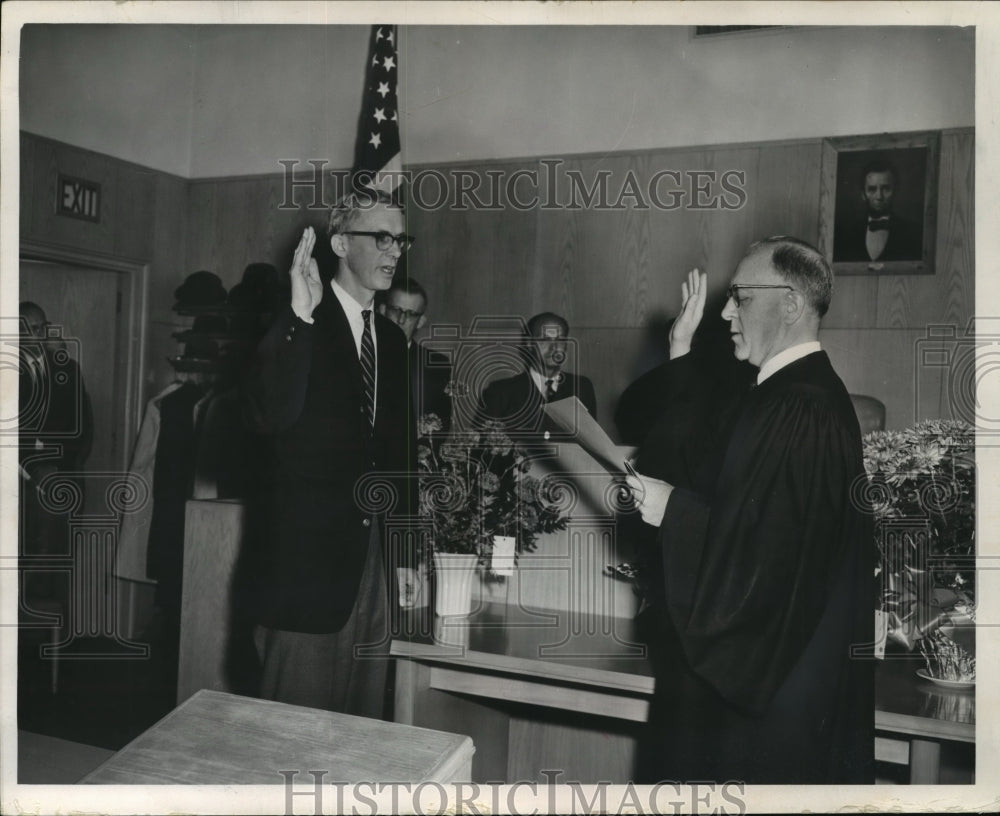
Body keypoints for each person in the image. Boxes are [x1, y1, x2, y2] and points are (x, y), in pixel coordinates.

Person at [626, 238, 874, 784]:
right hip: (782, 684)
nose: (724, 311)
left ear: (788, 303)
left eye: (739, 296)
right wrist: (681, 348)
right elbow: (699, 454)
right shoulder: (785, 395)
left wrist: (673, 511)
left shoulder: (799, 407)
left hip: (775, 696)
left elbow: (764, 564)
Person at [243, 189, 418, 717]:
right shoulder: (297, 324)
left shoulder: (390, 339)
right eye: (381, 237)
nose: (394, 252)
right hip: (305, 571)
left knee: (358, 734)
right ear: (340, 243)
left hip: (372, 571)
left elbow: (398, 452)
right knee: (293, 738)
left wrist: (406, 550)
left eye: (401, 239)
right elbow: (267, 417)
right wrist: (300, 316)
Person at [18, 302, 93, 603]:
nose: (37, 335)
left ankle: (57, 641)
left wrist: (62, 464)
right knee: (24, 561)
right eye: (29, 330)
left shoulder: (67, 369)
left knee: (57, 560)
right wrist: (30, 466)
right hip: (20, 480)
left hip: (62, 478)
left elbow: (83, 426)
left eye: (41, 327)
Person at [477, 312, 597, 439]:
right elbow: (482, 448)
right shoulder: (500, 391)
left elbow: (593, 443)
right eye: (545, 340)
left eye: (560, 340)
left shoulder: (582, 387)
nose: (554, 348)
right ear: (529, 344)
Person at [377, 276, 452, 428]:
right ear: (382, 310)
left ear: (421, 321)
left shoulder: (436, 365)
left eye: (411, 314)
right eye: (396, 310)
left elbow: (439, 425)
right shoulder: (361, 353)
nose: (401, 320)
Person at [833, 158, 923, 263]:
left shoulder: (914, 233)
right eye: (872, 189)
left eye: (886, 189)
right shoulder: (845, 234)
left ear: (896, 191)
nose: (879, 196)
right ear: (863, 194)